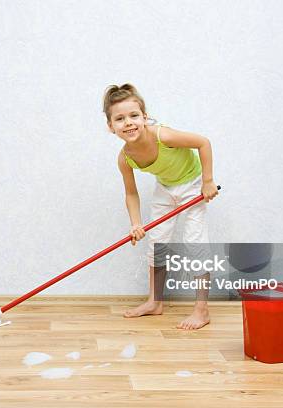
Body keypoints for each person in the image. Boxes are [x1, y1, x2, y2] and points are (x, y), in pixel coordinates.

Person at [103, 83, 219, 330]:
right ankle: (155, 302)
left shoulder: (162, 135)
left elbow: (203, 143)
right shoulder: (125, 158)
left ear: (145, 117)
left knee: (195, 243)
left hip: (192, 184)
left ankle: (202, 310)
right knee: (157, 243)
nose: (128, 123)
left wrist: (207, 181)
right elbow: (131, 193)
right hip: (165, 188)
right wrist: (136, 223)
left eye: (134, 115)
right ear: (110, 127)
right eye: (120, 119)